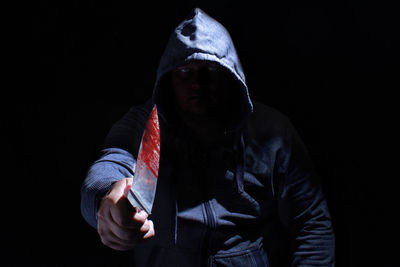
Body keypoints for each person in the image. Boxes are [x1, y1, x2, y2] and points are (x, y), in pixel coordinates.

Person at [81, 8, 335, 266]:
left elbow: (311, 223)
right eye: (185, 72)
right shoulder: (144, 125)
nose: (197, 84)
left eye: (210, 71)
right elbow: (111, 163)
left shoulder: (272, 133)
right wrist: (106, 201)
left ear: (229, 74)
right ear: (170, 77)